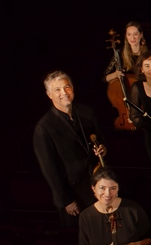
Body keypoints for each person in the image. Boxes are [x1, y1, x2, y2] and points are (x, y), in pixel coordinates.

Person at [34, 71, 107, 228]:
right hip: (74, 195)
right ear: (49, 94)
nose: (64, 93)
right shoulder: (44, 127)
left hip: (98, 187)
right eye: (57, 90)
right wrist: (66, 200)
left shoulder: (87, 112)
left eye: (66, 87)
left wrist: (103, 148)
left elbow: (100, 137)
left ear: (72, 88)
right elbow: (50, 169)